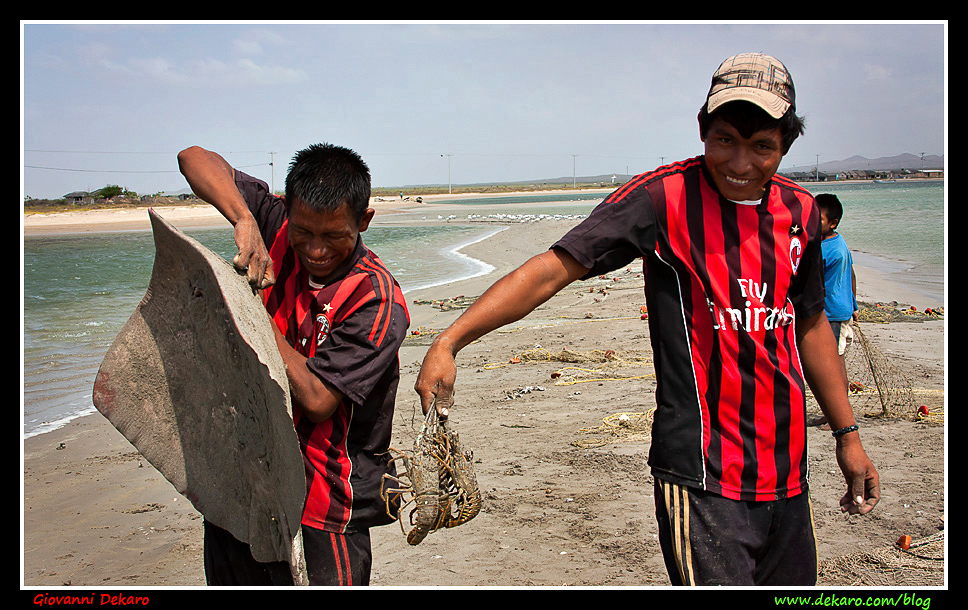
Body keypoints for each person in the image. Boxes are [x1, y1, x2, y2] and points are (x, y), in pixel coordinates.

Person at [414, 53, 880, 586]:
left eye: (762, 147)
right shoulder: (664, 198)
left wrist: (847, 436)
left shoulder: (800, 213)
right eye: (725, 139)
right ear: (703, 129)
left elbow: (812, 325)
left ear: (787, 146)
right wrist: (450, 340)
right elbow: (553, 269)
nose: (741, 163)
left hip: (788, 472)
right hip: (700, 474)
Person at [178, 143, 410, 586]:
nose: (315, 250)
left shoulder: (376, 299)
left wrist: (253, 316)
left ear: (364, 222)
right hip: (244, 481)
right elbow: (193, 158)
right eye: (304, 233)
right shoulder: (275, 225)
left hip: (326, 499)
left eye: (334, 236)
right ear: (286, 210)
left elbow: (318, 397)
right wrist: (243, 217)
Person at [817, 193, 858, 390]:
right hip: (840, 309)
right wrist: (854, 305)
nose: (812, 221)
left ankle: (837, 419)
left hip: (832, 313)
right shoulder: (838, 242)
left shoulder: (827, 250)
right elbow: (851, 273)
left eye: (819, 218)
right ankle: (832, 416)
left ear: (833, 223)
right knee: (834, 360)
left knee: (833, 364)